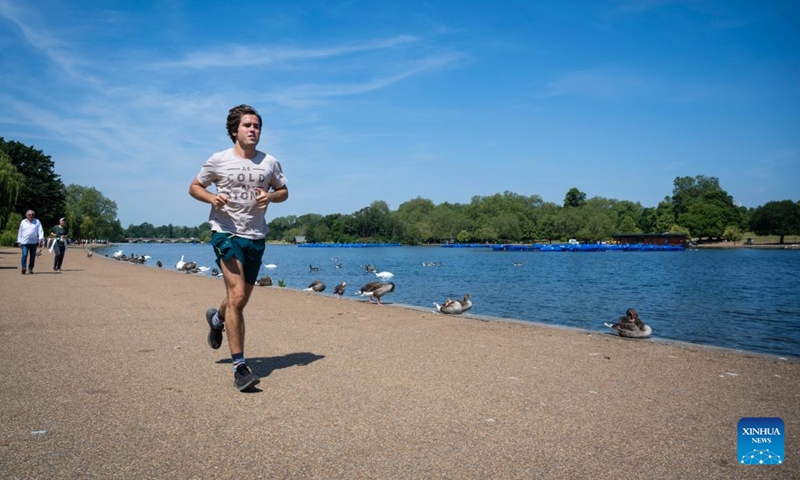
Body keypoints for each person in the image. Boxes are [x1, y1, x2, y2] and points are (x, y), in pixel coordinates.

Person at [189, 104, 289, 391]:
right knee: (238, 293)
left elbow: (284, 192)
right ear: (235, 130)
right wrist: (211, 198)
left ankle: (217, 319)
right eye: (248, 125)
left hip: (256, 236)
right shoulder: (218, 160)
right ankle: (240, 367)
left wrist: (270, 196)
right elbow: (194, 186)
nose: (253, 130)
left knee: (239, 300)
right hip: (226, 232)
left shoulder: (270, 162)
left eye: (257, 126)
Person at [17, 209, 44, 274]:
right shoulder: (23, 222)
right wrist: (19, 241)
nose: (31, 216)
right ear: (26, 215)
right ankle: (24, 267)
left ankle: (30, 268)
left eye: (32, 215)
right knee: (24, 255)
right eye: (29, 215)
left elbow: (40, 230)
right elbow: (20, 232)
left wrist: (40, 238)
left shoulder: (37, 221)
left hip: (33, 242)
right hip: (24, 242)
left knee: (32, 256)